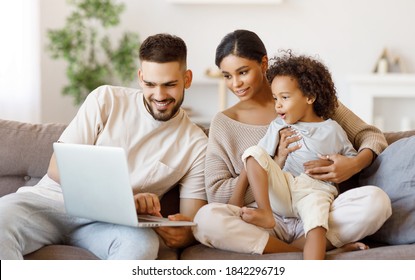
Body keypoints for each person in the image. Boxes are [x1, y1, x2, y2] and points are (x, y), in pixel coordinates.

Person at [0, 33, 208, 260]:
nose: (159, 95)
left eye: (169, 85)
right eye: (150, 84)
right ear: (140, 77)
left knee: (142, 246)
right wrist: (127, 199)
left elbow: (190, 220)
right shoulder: (106, 99)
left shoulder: (196, 144)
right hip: (51, 203)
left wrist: (185, 235)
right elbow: (56, 167)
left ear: (187, 79)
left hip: (109, 225)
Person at [193, 29, 392, 257]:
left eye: (243, 72)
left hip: (319, 210)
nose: (236, 83)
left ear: (263, 63)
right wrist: (275, 162)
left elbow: (371, 135)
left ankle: (304, 247)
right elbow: (218, 196)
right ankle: (311, 249)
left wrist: (353, 164)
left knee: (377, 202)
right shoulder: (224, 123)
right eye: (227, 76)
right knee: (206, 220)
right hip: (269, 220)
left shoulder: (309, 97)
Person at [239, 51, 360, 259]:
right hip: (284, 187)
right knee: (252, 151)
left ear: (310, 97)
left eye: (284, 98)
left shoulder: (332, 129)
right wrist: (234, 202)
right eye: (275, 98)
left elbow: (351, 161)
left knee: (316, 227)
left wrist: (336, 165)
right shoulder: (277, 126)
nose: (277, 105)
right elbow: (258, 160)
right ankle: (265, 212)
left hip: (316, 189)